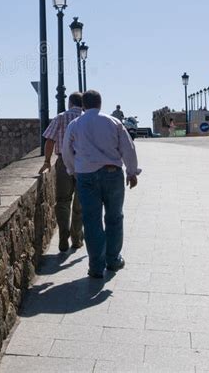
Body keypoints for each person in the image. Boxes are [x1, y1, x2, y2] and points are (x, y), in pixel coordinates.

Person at [62, 90, 141, 278]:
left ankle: (96, 266)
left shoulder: (75, 124)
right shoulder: (113, 122)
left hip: (86, 176)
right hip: (112, 174)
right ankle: (113, 260)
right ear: (100, 104)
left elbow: (66, 151)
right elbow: (128, 148)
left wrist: (73, 170)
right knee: (114, 218)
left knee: (92, 221)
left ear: (83, 105)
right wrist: (132, 172)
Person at [38, 92, 84, 252]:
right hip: (85, 164)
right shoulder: (87, 119)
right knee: (81, 202)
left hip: (64, 161)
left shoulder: (60, 117)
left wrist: (46, 161)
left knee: (63, 200)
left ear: (70, 103)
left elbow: (49, 140)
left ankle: (63, 238)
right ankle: (77, 238)